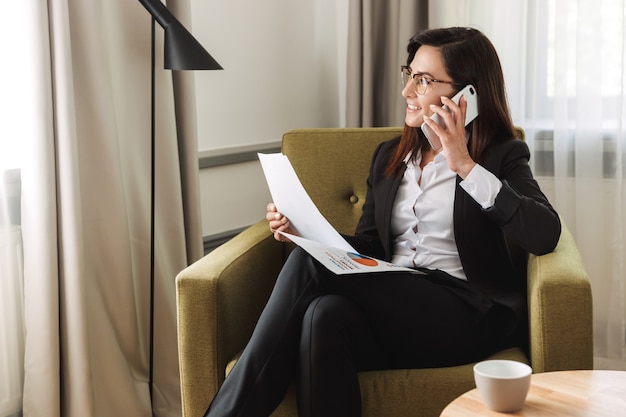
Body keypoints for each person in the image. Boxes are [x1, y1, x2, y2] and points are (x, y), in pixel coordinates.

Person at [203, 26, 561, 417]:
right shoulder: (389, 156)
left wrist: (465, 165)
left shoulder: (500, 155)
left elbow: (544, 234)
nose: (408, 92)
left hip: (464, 313)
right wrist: (304, 233)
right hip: (396, 302)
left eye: (424, 81)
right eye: (410, 75)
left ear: (466, 95)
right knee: (323, 314)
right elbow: (371, 246)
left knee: (308, 270)